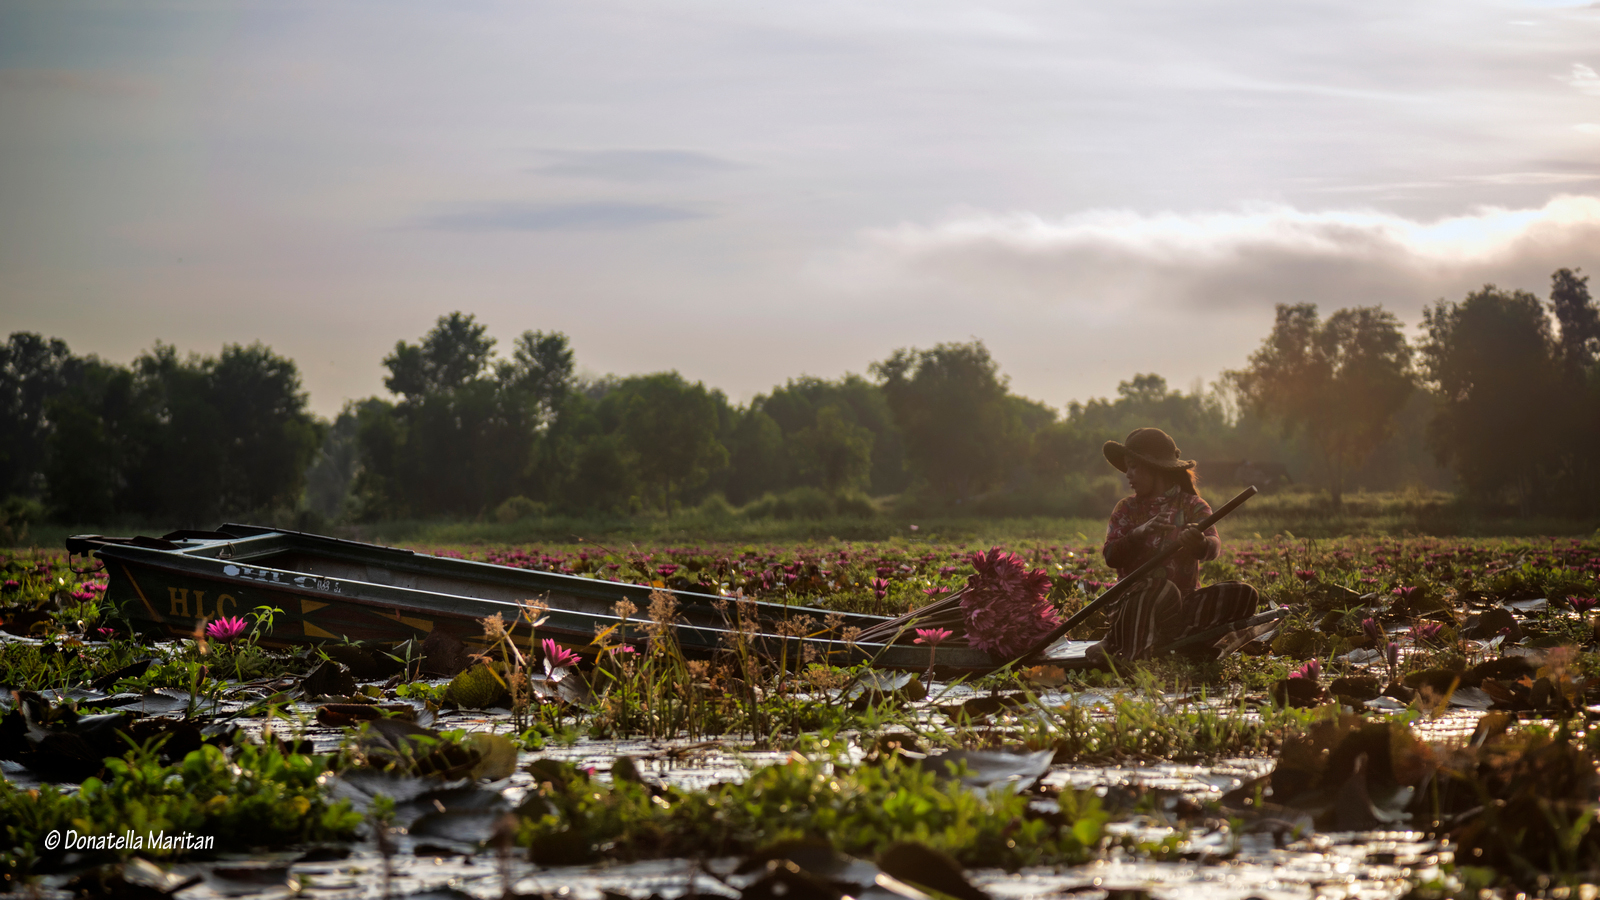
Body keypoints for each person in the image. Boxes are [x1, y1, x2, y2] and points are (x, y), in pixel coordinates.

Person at [1086, 428, 1258, 664]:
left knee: (1244, 594)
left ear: (1155, 468)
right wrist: (1138, 534)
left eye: (1134, 467)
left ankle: (1178, 641)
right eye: (1128, 467)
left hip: (1180, 610)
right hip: (1133, 606)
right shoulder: (1126, 509)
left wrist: (1200, 544)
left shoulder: (1193, 505)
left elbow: (1213, 546)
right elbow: (1111, 556)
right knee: (1160, 588)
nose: (1128, 475)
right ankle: (1123, 646)